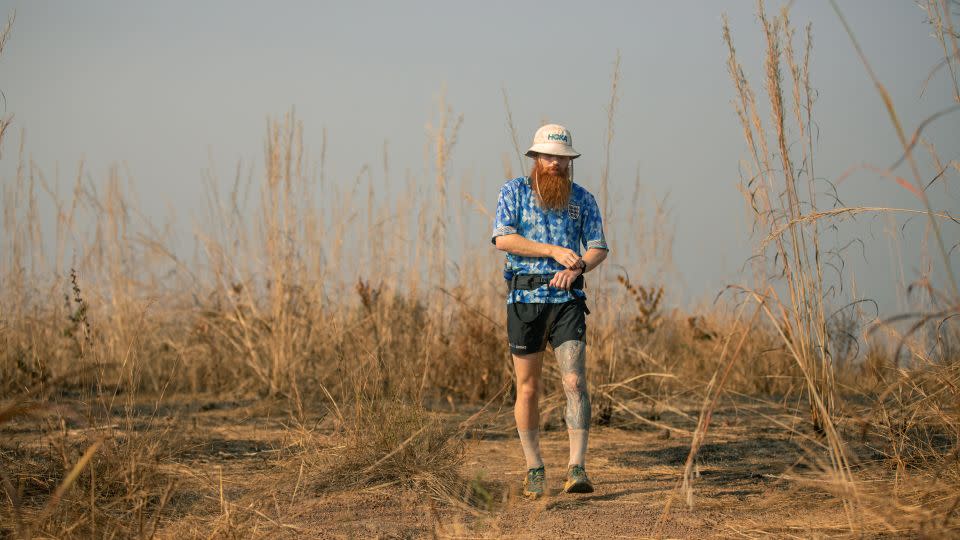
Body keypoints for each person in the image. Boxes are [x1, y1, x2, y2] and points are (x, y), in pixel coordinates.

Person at [491, 124, 609, 498]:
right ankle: (534, 468)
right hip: (524, 300)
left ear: (569, 161)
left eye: (561, 157)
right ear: (535, 158)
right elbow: (502, 238)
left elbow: (598, 246)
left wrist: (578, 267)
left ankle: (577, 467)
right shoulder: (513, 192)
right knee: (528, 388)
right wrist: (552, 251)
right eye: (548, 156)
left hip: (568, 303)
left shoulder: (584, 200)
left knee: (574, 381)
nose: (555, 163)